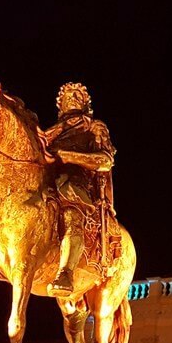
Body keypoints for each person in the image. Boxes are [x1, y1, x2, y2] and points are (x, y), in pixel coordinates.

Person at [40, 82, 116, 291]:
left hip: (75, 185)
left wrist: (68, 156)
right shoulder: (48, 134)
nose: (72, 98)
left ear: (85, 104)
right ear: (60, 104)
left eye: (77, 95)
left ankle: (66, 272)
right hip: (45, 183)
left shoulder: (93, 128)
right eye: (67, 96)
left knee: (72, 215)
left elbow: (105, 160)